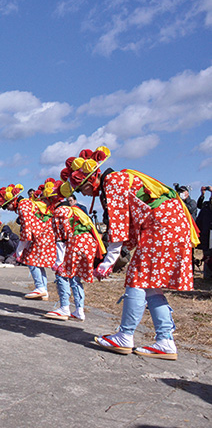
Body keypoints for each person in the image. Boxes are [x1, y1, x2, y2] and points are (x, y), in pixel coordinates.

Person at [61, 146, 198, 360]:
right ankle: (165, 341)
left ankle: (125, 336)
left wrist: (109, 260)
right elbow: (128, 224)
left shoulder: (113, 181)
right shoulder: (119, 179)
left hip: (160, 225)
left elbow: (119, 224)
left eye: (80, 189)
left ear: (89, 181)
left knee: (137, 279)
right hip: (168, 223)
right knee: (150, 285)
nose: (82, 194)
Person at [40, 178, 105, 321]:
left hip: (75, 242)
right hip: (88, 243)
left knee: (62, 273)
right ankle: (79, 310)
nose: (44, 203)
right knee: (75, 277)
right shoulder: (74, 210)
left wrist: (58, 260)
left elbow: (61, 239)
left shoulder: (60, 212)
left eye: (46, 200)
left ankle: (64, 307)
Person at [0, 184, 56, 301]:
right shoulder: (27, 203)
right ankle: (44, 290)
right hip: (45, 234)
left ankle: (40, 287)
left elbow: (27, 227)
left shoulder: (23, 205)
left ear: (13, 201)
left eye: (7, 206)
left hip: (39, 235)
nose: (8, 209)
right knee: (38, 263)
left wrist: (21, 247)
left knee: (31, 260)